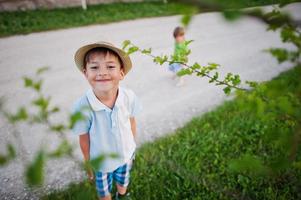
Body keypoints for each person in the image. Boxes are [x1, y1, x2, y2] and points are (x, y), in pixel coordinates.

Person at [72, 41, 141, 200]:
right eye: (95, 67)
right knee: (104, 193)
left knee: (123, 182)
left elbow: (132, 123)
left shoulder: (128, 97)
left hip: (125, 156)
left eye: (110, 67)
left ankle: (122, 195)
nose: (102, 72)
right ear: (85, 73)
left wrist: (132, 148)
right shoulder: (82, 107)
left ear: (122, 73)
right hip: (100, 164)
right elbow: (84, 140)